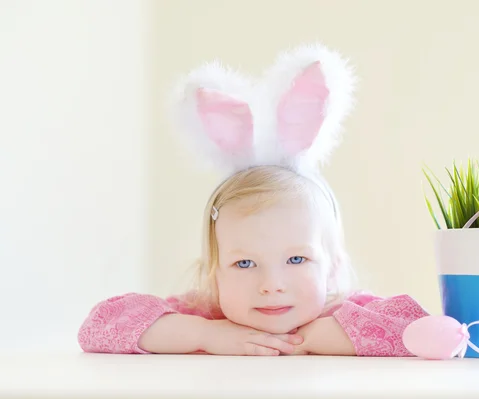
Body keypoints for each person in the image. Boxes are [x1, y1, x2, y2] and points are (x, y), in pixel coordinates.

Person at [77, 43, 429, 357]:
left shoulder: (341, 313)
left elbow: (424, 331)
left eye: (296, 258)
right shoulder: (207, 315)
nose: (271, 284)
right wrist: (205, 334)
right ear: (213, 277)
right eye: (244, 264)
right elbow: (99, 326)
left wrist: (328, 336)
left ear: (334, 267)